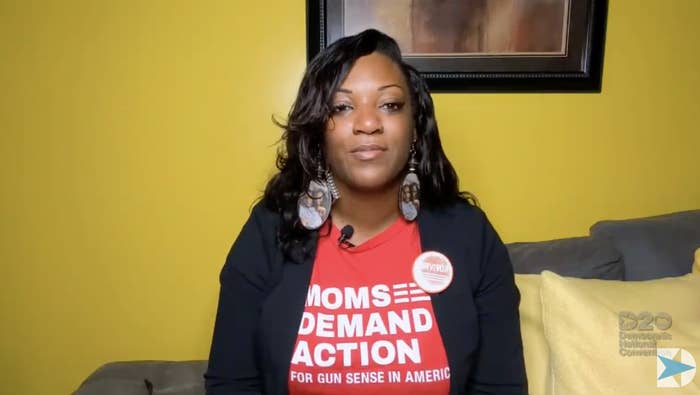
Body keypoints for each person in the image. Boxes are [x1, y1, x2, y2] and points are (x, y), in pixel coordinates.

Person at [204, 29, 527, 395]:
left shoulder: (470, 236)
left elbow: (500, 387)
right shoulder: (268, 232)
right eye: (342, 107)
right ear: (318, 132)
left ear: (415, 128)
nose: (368, 123)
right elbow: (232, 384)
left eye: (389, 105)